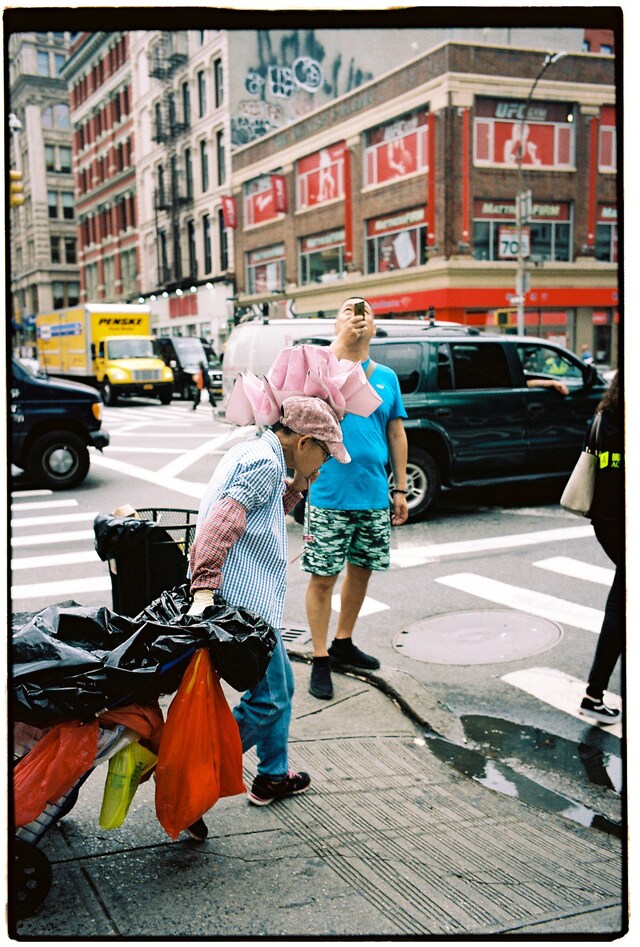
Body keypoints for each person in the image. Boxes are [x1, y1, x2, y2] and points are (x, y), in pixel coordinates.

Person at [186, 395, 350, 828]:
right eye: (325, 454)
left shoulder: (256, 449)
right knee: (272, 700)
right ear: (304, 442)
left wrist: (297, 488)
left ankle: (273, 774)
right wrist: (203, 587)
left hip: (248, 604)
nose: (326, 464)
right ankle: (191, 776)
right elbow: (222, 522)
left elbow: (260, 514)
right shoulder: (265, 464)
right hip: (243, 608)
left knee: (280, 692)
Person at [302, 297, 409, 700]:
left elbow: (396, 433)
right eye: (347, 311)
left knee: (361, 570)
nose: (357, 317)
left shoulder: (386, 378)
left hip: (373, 496)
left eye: (364, 313)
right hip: (329, 494)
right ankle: (319, 655)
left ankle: (343, 643)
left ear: (375, 326)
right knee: (323, 577)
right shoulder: (320, 372)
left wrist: (399, 488)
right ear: (334, 323)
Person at [579, 370, 624, 724]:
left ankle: (595, 692)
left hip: (606, 521)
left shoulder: (605, 416)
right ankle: (593, 694)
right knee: (621, 608)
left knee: (622, 603)